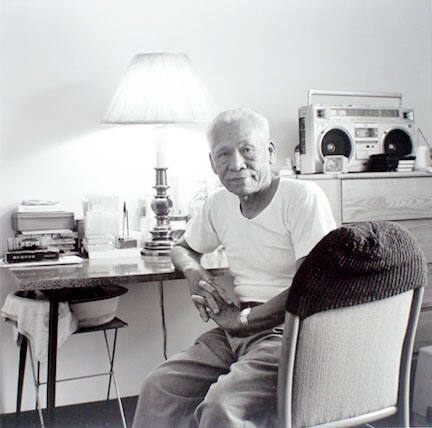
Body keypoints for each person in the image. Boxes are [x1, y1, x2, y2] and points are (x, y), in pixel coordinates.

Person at [132, 107, 336, 428]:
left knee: (221, 406)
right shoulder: (218, 204)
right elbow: (182, 248)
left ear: (269, 152)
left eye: (247, 150)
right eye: (224, 154)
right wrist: (196, 276)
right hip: (238, 330)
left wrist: (245, 320)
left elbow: (313, 286)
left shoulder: (302, 197)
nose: (236, 163)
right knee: (160, 387)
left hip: (291, 331)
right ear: (212, 163)